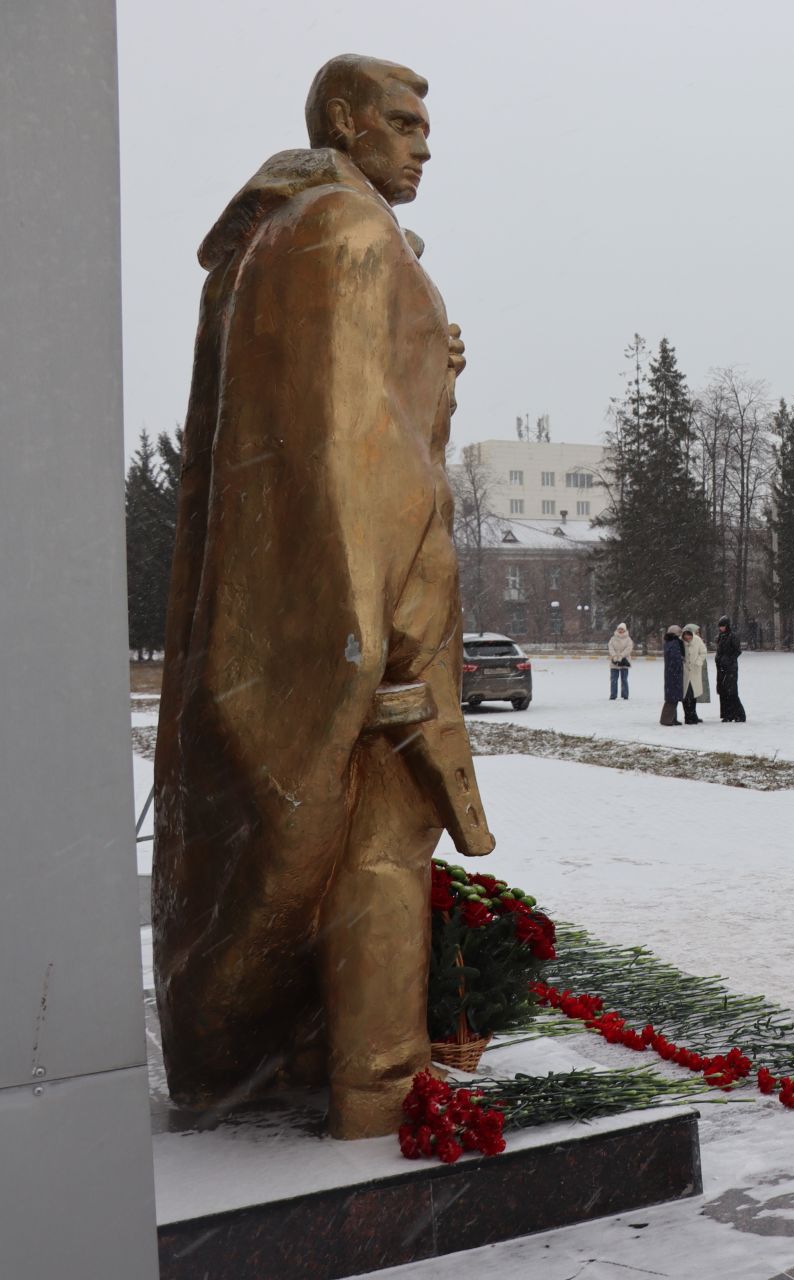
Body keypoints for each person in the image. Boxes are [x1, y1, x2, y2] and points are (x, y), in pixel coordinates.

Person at [151, 54, 496, 1138]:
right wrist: (386, 647)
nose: (424, 142)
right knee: (381, 852)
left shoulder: (285, 234)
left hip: (334, 614)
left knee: (338, 858)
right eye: (402, 121)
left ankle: (323, 1065)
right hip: (367, 621)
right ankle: (379, 1088)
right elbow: (351, 466)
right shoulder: (342, 234)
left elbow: (351, 430)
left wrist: (433, 370)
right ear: (346, 122)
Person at [714, 616, 745, 722]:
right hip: (721, 667)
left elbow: (737, 651)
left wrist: (728, 659)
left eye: (723, 626)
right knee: (723, 692)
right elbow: (719, 651)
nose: (721, 628)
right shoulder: (720, 637)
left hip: (731, 668)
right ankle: (727, 714)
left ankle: (739, 714)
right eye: (720, 626)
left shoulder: (732, 636)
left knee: (731, 691)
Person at [681, 622, 709, 725]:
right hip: (684, 673)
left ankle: (693, 715)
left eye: (689, 635)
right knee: (685, 696)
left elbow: (703, 652)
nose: (687, 637)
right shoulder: (680, 642)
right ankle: (687, 717)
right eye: (685, 635)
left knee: (693, 696)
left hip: (695, 672)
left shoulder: (697, 640)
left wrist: (698, 662)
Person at [660, 624, 685, 726]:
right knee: (672, 698)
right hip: (674, 673)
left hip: (671, 673)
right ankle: (666, 719)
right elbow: (675, 659)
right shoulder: (674, 643)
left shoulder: (668, 642)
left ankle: (672, 718)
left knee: (672, 697)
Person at [608, 622, 634, 700]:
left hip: (624, 661)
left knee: (624, 679)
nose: (620, 630)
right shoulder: (613, 638)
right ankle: (613, 695)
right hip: (614, 662)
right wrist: (615, 656)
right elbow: (610, 647)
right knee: (613, 680)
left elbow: (629, 649)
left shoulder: (628, 639)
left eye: (622, 629)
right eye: (619, 629)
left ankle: (625, 695)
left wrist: (621, 656)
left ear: (625, 630)